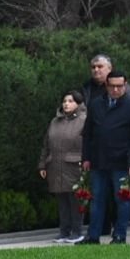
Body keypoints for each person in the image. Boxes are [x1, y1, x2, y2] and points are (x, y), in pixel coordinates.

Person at [79, 70, 130, 245]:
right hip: (98, 160)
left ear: (125, 85)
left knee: (122, 199)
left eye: (119, 86)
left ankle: (120, 235)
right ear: (106, 85)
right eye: (112, 86)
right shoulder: (96, 104)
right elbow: (88, 133)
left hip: (121, 160)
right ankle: (93, 235)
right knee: (97, 199)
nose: (115, 90)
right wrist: (86, 157)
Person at [38, 90, 87, 244]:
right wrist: (42, 164)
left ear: (78, 103)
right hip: (55, 166)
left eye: (70, 101)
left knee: (75, 200)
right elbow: (46, 144)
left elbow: (90, 144)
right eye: (65, 101)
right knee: (62, 201)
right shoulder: (55, 121)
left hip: (75, 167)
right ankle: (64, 231)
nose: (66, 104)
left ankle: (77, 231)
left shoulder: (84, 120)